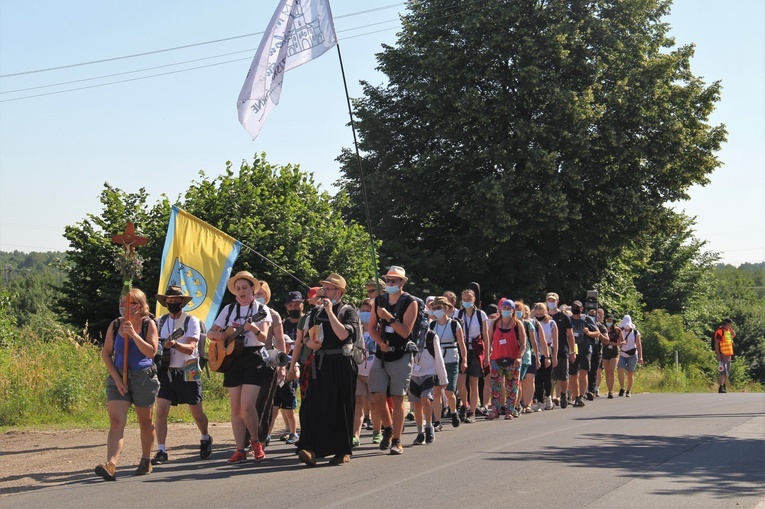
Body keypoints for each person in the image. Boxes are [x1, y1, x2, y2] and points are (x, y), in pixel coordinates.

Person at [207, 271, 272, 464]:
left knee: (247, 406)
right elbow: (211, 332)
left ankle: (256, 441)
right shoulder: (229, 309)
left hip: (253, 357)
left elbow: (264, 338)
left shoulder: (261, 310)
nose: (242, 291)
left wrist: (254, 328)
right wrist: (219, 337)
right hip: (232, 360)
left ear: (253, 288)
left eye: (245, 288)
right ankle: (240, 449)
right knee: (235, 409)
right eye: (238, 288)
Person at [95, 288, 159, 481]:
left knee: (145, 422)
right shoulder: (115, 325)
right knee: (116, 422)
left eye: (129, 303)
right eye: (122, 303)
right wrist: (116, 378)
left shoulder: (149, 324)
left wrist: (133, 335)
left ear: (139, 305)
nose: (124, 307)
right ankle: (111, 464)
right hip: (118, 376)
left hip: (143, 377)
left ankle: (146, 459)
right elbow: (106, 353)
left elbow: (151, 352)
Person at [297, 273, 359, 466]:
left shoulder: (348, 311)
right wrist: (310, 343)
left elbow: (343, 335)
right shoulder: (315, 312)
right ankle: (310, 448)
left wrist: (331, 312)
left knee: (340, 406)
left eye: (328, 289)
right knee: (313, 405)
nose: (324, 292)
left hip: (341, 361)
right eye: (323, 288)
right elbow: (306, 337)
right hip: (320, 362)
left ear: (338, 292)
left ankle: (342, 450)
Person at [151, 286, 212, 466]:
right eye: (168, 301)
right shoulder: (158, 322)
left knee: (196, 412)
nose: (172, 303)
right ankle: (161, 450)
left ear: (182, 302)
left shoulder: (191, 321)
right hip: (166, 369)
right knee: (161, 411)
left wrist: (175, 344)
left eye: (175, 301)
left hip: (190, 367)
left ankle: (205, 437)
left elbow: (192, 347)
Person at [368, 266, 418, 455]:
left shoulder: (410, 302)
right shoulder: (379, 301)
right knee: (376, 397)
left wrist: (388, 318)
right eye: (388, 280)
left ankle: (397, 440)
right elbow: (372, 327)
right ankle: (388, 427)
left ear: (402, 282)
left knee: (397, 398)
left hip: (400, 354)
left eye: (394, 281)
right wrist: (379, 342)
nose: (390, 284)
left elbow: (405, 332)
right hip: (382, 353)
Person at [429, 296, 467, 429]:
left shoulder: (454, 324)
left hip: (451, 360)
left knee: (450, 392)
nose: (436, 310)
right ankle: (437, 421)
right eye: (434, 308)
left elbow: (462, 344)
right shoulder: (431, 325)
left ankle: (453, 411)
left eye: (439, 307)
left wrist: (465, 360)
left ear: (446, 309)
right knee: (436, 391)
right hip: (437, 362)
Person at [408, 318, 448, 445]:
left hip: (429, 373)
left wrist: (443, 378)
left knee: (425, 399)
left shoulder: (431, 336)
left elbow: (439, 358)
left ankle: (429, 427)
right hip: (413, 374)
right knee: (417, 404)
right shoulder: (409, 334)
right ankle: (420, 432)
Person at [487, 299, 524, 420]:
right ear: (500, 310)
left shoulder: (517, 324)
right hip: (496, 358)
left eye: (509, 308)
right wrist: (487, 355)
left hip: (512, 360)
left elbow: (523, 343)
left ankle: (510, 411)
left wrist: (519, 357)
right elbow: (489, 340)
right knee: (495, 387)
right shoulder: (495, 323)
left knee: (512, 387)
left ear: (513, 310)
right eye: (504, 308)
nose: (506, 310)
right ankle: (495, 410)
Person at [457, 288, 490, 423]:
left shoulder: (480, 315)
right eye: (464, 300)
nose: (466, 302)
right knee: (460, 382)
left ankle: (472, 412)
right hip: (462, 349)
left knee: (473, 383)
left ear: (474, 300)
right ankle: (465, 405)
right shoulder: (458, 314)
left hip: (476, 350)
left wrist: (487, 355)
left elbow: (486, 336)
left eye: (469, 300)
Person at [277, 291, 303, 444]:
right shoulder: (283, 324)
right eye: (290, 305)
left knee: (299, 398)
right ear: (287, 308)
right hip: (286, 363)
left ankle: (299, 428)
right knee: (284, 396)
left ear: (302, 304)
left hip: (304, 362)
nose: (294, 307)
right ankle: (288, 428)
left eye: (296, 304)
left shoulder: (307, 321)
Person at [354, 298, 379, 445]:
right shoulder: (356, 329)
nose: (364, 314)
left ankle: (377, 431)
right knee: (358, 401)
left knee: (374, 403)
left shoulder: (378, 328)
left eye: (368, 311)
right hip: (358, 370)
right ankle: (355, 435)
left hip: (374, 371)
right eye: (362, 311)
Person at [547, 292, 576, 408]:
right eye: (549, 300)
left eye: (553, 300)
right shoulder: (543, 316)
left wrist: (572, 351)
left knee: (563, 377)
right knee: (548, 376)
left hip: (562, 351)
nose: (551, 302)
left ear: (557, 301)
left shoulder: (564, 317)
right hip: (547, 351)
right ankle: (548, 398)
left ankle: (563, 394)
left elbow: (570, 335)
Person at [569, 300, 598, 407]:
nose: (575, 309)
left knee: (583, 372)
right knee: (572, 374)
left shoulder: (587, 319)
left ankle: (581, 396)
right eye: (573, 307)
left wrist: (588, 332)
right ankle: (575, 396)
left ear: (581, 309)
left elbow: (597, 333)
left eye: (577, 307)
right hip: (573, 349)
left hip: (585, 348)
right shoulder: (569, 319)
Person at [533, 302, 557, 410]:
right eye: (536, 314)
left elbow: (555, 341)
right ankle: (540, 401)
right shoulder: (532, 323)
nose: (539, 316)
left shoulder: (551, 323)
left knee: (547, 378)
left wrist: (554, 356)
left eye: (541, 314)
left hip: (547, 351)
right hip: (536, 351)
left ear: (545, 312)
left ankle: (548, 396)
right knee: (538, 378)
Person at [617, 315, 643, 397]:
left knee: (630, 373)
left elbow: (639, 345)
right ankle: (622, 388)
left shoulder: (635, 333)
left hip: (632, 354)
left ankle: (628, 390)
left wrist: (640, 357)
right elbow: (617, 342)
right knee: (620, 369)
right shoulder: (620, 331)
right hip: (622, 353)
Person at [601, 314, 624, 399]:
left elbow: (623, 341)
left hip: (615, 351)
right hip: (605, 350)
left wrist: (617, 344)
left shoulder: (617, 330)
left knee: (611, 370)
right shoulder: (603, 329)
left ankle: (611, 391)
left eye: (610, 321)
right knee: (607, 371)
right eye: (607, 320)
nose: (609, 322)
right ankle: (609, 390)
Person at [713, 318, 736, 393]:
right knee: (723, 371)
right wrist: (718, 354)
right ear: (727, 324)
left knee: (727, 372)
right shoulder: (720, 331)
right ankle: (721, 387)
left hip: (728, 354)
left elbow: (728, 340)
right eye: (730, 323)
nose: (731, 325)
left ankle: (724, 385)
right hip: (722, 353)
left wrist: (733, 335)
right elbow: (716, 343)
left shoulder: (728, 331)